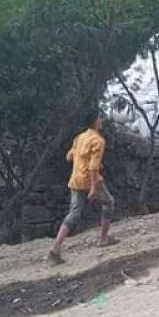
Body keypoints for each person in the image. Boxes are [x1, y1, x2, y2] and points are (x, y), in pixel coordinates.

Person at [48, 111, 118, 266]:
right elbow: (93, 167)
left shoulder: (80, 137)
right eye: (99, 118)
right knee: (109, 202)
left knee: (74, 212)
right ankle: (103, 239)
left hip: (76, 179)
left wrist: (83, 159)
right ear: (94, 122)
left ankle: (56, 247)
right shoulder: (98, 141)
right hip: (91, 179)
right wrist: (93, 187)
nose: (101, 120)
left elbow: (69, 157)